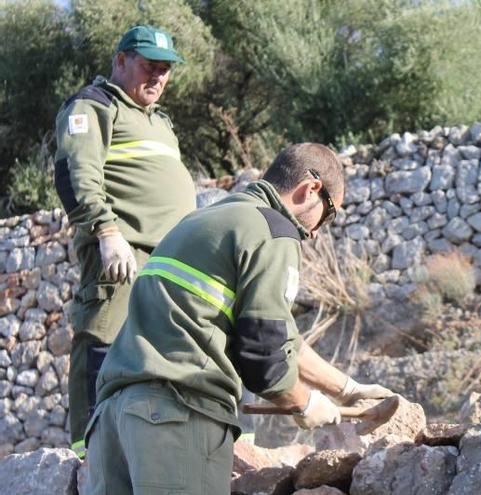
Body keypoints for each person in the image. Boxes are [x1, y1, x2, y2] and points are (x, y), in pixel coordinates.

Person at [82, 143, 394, 495]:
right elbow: (265, 354)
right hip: (176, 419)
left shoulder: (200, 222)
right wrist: (302, 402)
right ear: (311, 190)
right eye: (328, 215)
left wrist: (348, 390)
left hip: (112, 422)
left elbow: (282, 335)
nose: (317, 232)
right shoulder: (273, 231)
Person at [54, 25, 196, 458]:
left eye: (165, 70)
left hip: (172, 256)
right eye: (148, 66)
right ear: (120, 60)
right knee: (101, 336)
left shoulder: (160, 121)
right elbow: (75, 174)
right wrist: (106, 231)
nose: (157, 77)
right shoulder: (94, 106)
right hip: (123, 250)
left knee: (172, 353)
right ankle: (87, 450)